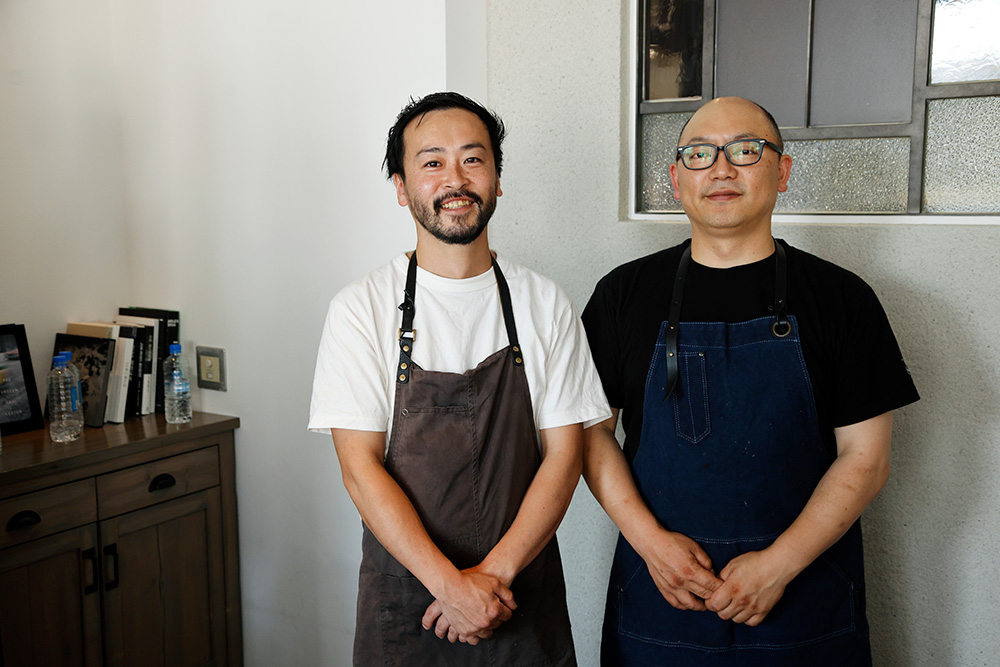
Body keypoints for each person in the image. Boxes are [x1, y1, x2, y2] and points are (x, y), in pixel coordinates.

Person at [581, 96, 919, 666]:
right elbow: (589, 435)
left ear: (782, 171)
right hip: (662, 599)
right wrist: (653, 547)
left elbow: (866, 458)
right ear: (675, 178)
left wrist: (779, 563)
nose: (720, 169)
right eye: (699, 154)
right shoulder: (623, 295)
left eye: (745, 150)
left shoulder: (842, 299)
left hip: (803, 602)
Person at [309, 91, 610, 666]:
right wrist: (451, 588)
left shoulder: (544, 303)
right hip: (409, 604)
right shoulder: (360, 309)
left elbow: (566, 456)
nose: (455, 179)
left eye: (473, 159)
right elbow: (359, 469)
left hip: (519, 597)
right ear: (401, 187)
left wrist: (489, 583)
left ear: (498, 180)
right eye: (431, 162)